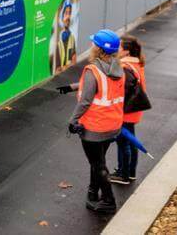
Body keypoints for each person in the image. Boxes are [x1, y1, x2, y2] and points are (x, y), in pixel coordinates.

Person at [58, 29, 125, 214]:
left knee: (97, 164)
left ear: (98, 48)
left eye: (94, 43)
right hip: (113, 126)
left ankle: (109, 201)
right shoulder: (119, 68)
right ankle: (93, 192)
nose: (92, 45)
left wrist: (73, 120)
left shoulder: (93, 70)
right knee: (98, 161)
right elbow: (100, 86)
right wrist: (71, 87)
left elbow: (86, 100)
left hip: (95, 127)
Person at [110, 35, 148, 185]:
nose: (116, 49)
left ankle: (123, 174)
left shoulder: (124, 67)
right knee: (131, 140)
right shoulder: (137, 64)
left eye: (118, 47)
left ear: (126, 51)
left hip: (125, 111)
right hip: (134, 109)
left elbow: (121, 92)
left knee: (123, 143)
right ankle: (131, 172)